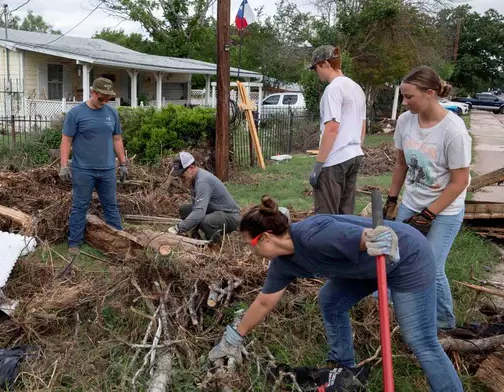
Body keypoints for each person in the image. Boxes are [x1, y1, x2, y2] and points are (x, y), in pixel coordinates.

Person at [208, 196, 463, 392]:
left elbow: (366, 237)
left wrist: (381, 238)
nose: (250, 251)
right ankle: (344, 367)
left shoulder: (314, 234)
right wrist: (233, 337)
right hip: (369, 268)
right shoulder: (283, 263)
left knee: (420, 340)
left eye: (249, 244)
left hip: (407, 257)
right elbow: (265, 301)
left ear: (264, 238)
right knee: (330, 300)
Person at [382, 66, 471, 330]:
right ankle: (395, 308)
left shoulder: (453, 131)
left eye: (410, 97)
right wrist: (392, 199)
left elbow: (460, 182)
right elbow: (401, 164)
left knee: (431, 264)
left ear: (430, 93)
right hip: (412, 201)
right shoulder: (406, 121)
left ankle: (444, 322)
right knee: (397, 256)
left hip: (445, 208)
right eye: (403, 96)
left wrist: (429, 214)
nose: (405, 102)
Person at [59, 77, 129, 256]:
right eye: (102, 97)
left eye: (108, 98)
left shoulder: (111, 114)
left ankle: (118, 240)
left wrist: (123, 163)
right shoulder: (76, 114)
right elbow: (67, 140)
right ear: (93, 92)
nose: (105, 101)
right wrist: (64, 165)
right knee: (80, 206)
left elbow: (117, 139)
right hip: (83, 169)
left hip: (107, 169)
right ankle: (74, 243)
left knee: (111, 205)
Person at [308, 45, 366, 215]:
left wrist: (319, 165)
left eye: (316, 67)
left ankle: (327, 242)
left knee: (326, 217)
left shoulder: (333, 89)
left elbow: (332, 128)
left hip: (335, 160)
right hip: (354, 155)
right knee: (345, 213)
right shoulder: (356, 88)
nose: (316, 72)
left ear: (325, 64)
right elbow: (362, 126)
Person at [167, 152, 240, 242]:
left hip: (230, 216)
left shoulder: (202, 181)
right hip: (215, 210)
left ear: (191, 168)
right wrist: (192, 228)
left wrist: (178, 228)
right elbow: (196, 207)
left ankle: (215, 246)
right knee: (184, 209)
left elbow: (199, 211)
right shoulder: (193, 179)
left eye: (182, 175)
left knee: (207, 221)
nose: (181, 178)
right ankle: (193, 236)